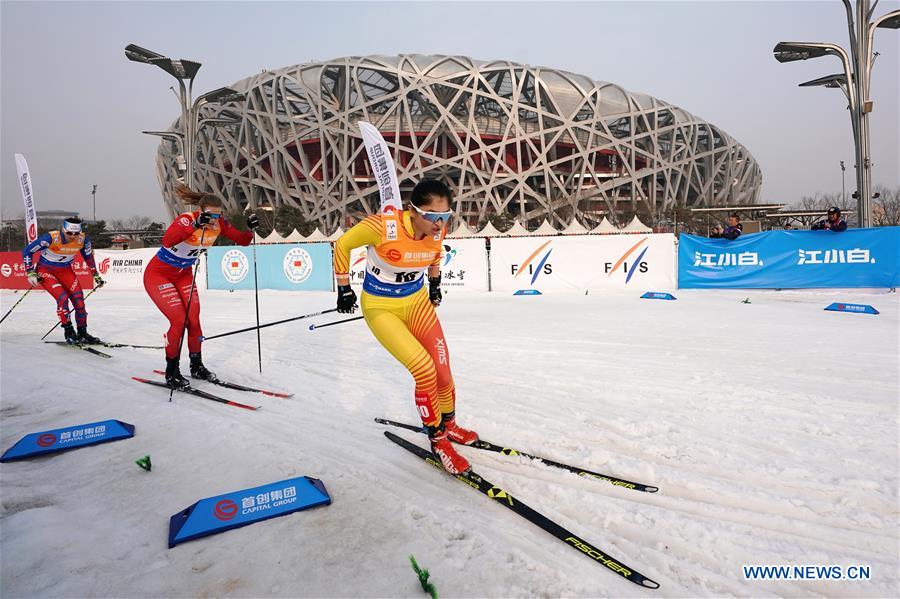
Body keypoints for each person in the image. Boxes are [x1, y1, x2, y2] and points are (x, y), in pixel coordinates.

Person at [333, 179, 477, 475]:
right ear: (414, 211)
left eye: (445, 216)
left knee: (442, 371)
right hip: (382, 308)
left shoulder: (438, 231)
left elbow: (435, 256)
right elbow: (343, 244)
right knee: (423, 369)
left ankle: (450, 425)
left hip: (416, 303)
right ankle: (438, 442)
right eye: (433, 217)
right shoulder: (382, 226)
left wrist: (435, 284)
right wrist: (343, 287)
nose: (439, 224)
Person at [143, 184, 259, 389]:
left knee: (194, 320)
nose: (214, 220)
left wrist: (249, 229)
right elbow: (168, 240)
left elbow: (242, 241)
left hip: (183, 275)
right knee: (178, 320)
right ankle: (172, 370)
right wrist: (195, 224)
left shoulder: (219, 223)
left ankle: (196, 366)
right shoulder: (187, 219)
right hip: (159, 275)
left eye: (218, 216)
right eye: (210, 216)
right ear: (201, 211)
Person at [22, 216, 105, 344]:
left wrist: (96, 275)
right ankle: (69, 331)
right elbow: (27, 251)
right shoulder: (51, 238)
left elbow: (88, 258)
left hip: (66, 271)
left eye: (76, 233)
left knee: (79, 301)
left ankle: (83, 333)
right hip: (46, 271)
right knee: (63, 298)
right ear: (63, 229)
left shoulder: (83, 239)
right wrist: (30, 272)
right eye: (69, 233)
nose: (72, 236)